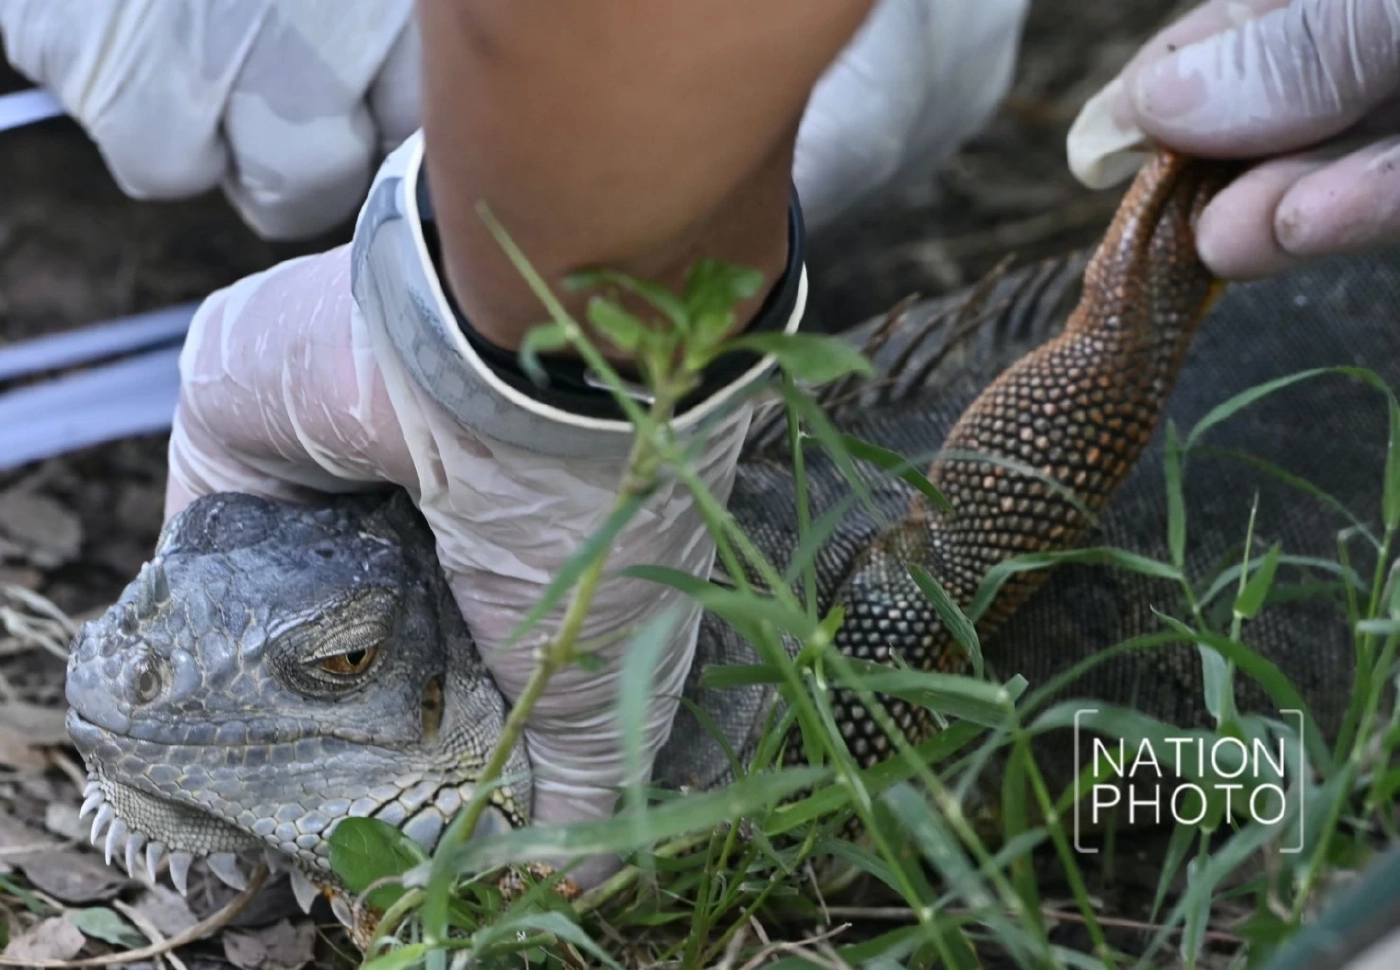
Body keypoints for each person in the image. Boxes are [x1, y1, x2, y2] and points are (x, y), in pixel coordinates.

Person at [3, 0, 1397, 891]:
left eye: (346, 659)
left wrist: (508, 365)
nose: (121, 673)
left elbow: (965, 543)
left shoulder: (786, 698)